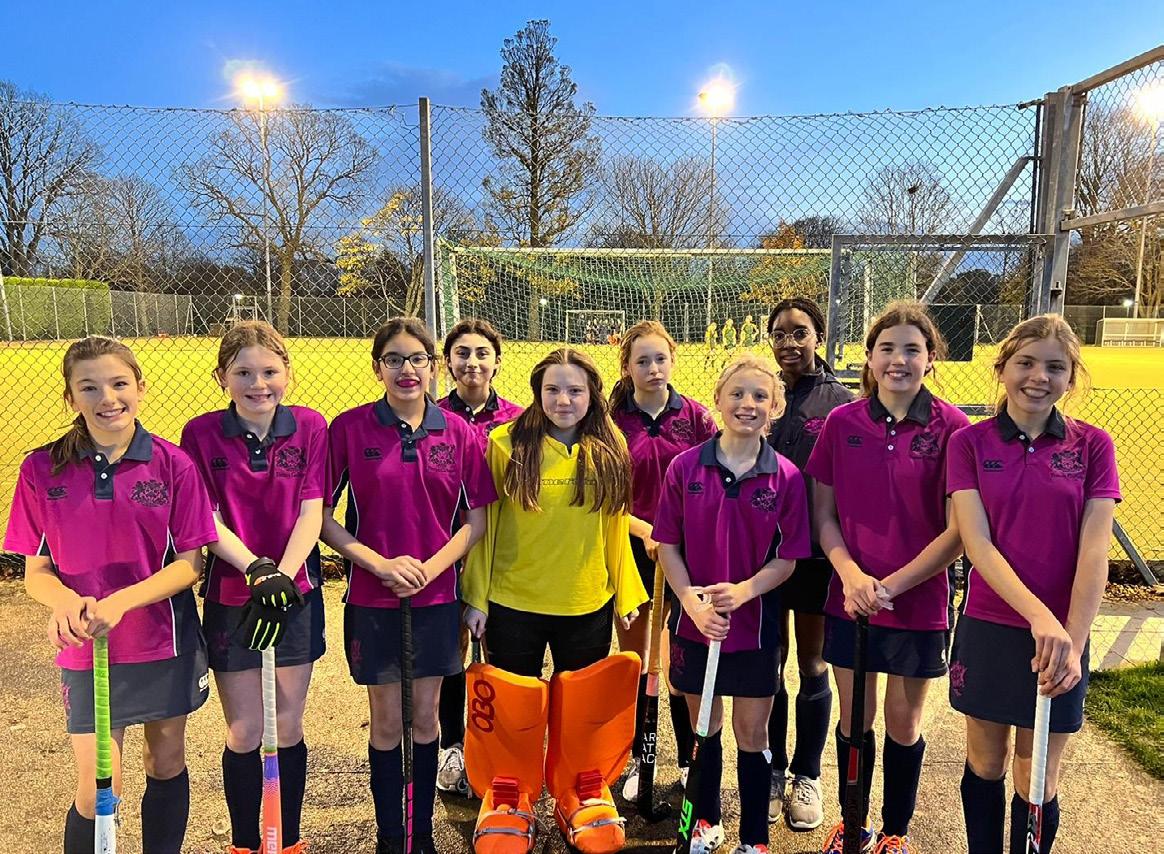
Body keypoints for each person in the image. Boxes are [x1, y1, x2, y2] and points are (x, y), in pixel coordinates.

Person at [5, 336, 217, 854]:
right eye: (89, 387)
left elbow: (189, 565)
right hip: (86, 646)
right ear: (70, 397)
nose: (108, 398)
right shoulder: (40, 469)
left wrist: (120, 602)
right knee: (99, 784)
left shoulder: (173, 464)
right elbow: (36, 572)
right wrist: (63, 601)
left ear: (140, 387)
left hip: (162, 642)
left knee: (165, 760)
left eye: (119, 383)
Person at [322, 317, 497, 854]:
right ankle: (389, 836)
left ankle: (421, 835)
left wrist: (430, 567)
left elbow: (475, 521)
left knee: (425, 717)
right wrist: (378, 564)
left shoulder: (459, 432)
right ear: (378, 367)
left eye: (417, 359)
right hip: (373, 596)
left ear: (433, 365)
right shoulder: (348, 428)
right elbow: (322, 518)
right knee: (385, 721)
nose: (406, 370)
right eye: (394, 359)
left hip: (436, 596)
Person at [948, 315, 1119, 854]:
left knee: (1038, 774)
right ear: (1002, 369)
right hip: (991, 627)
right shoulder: (968, 443)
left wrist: (1071, 638)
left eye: (1055, 366)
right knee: (986, 762)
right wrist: (1038, 616)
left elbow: (1094, 551)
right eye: (1025, 363)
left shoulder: (1094, 446)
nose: (1039, 377)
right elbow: (977, 545)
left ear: (1071, 376)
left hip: (1065, 635)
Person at [806, 301, 970, 854]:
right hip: (850, 597)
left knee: (905, 722)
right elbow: (823, 516)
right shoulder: (842, 424)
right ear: (870, 359)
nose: (899, 360)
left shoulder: (954, 428)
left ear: (930, 359)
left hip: (917, 602)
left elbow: (958, 531)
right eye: (887, 349)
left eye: (912, 350)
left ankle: (895, 830)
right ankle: (853, 824)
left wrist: (892, 586)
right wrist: (852, 576)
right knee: (856, 718)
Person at [654, 353, 812, 854]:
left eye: (760, 396)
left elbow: (788, 558)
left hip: (756, 629)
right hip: (695, 625)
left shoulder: (786, 476)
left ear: (775, 407)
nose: (748, 404)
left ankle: (754, 838)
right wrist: (691, 602)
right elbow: (668, 546)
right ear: (718, 400)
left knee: (752, 732)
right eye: (737, 394)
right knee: (705, 727)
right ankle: (706, 821)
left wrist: (744, 591)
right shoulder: (684, 467)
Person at [180, 321, 328, 854]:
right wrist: (256, 571)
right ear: (222, 377)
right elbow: (208, 517)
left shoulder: (310, 426)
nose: (257, 384)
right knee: (244, 729)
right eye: (243, 373)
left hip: (294, 595)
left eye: (269, 371)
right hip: (233, 596)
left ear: (287, 372)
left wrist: (282, 576)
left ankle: (286, 842)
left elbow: (312, 511)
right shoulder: (200, 434)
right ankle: (245, 843)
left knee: (285, 725)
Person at [461, 347, 647, 677]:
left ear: (592, 394)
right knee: (517, 705)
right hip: (513, 604)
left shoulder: (611, 445)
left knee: (578, 705)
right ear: (538, 392)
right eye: (552, 389)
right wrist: (477, 598)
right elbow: (486, 524)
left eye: (575, 391)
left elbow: (615, 525)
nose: (563, 400)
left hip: (586, 604)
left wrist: (626, 590)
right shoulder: (506, 443)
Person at [608, 320, 718, 800]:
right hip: (631, 546)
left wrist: (674, 534)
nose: (653, 368)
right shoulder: (611, 420)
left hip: (686, 551)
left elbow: (714, 481)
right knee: (638, 659)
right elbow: (604, 496)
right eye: (642, 361)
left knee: (680, 659)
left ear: (673, 360)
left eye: (660, 359)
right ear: (627, 367)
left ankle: (689, 760)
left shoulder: (696, 417)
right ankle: (639, 756)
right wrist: (645, 530)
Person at [764, 298, 855, 830]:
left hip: (818, 556)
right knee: (771, 661)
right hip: (767, 554)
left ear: (818, 336)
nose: (789, 343)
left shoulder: (840, 403)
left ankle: (808, 774)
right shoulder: (763, 394)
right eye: (779, 333)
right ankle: (774, 769)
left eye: (799, 332)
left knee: (812, 663)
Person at [433, 318, 522, 796]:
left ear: (497, 361)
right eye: (462, 353)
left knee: (500, 656)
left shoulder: (520, 421)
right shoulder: (431, 417)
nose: (472, 362)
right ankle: (453, 744)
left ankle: (498, 748)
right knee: (451, 652)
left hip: (501, 552)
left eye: (482, 353)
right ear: (447, 362)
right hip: (447, 550)